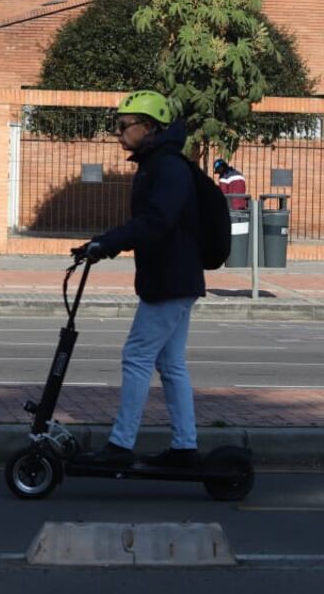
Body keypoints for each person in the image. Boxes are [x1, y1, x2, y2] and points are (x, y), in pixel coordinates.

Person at [72, 90, 204, 469]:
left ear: (148, 127)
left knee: (137, 356)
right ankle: (184, 447)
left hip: (170, 280)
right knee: (170, 362)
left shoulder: (168, 168)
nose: (118, 133)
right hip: (172, 278)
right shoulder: (157, 164)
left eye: (124, 126)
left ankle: (120, 444)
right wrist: (104, 243)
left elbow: (156, 222)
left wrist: (107, 243)